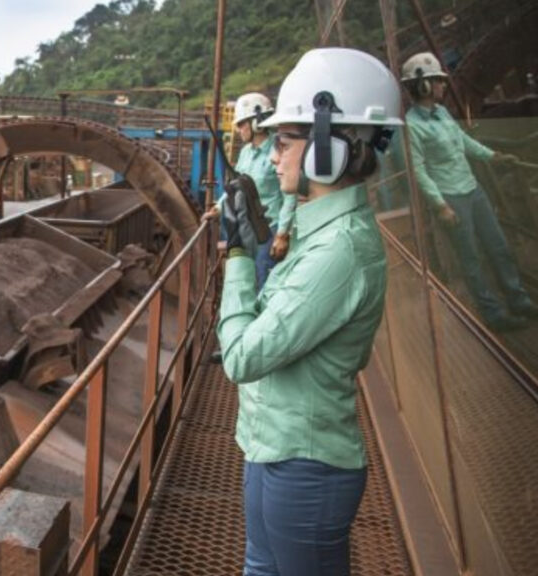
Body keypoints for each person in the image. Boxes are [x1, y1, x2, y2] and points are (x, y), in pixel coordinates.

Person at [217, 47, 404, 576]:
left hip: (306, 466)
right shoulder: (314, 227)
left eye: (283, 142)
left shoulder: (339, 253)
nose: (274, 157)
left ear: (329, 148)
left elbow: (241, 357)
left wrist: (235, 252)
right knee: (259, 568)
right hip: (269, 442)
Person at [402, 51, 535, 331]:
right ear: (423, 85)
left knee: (498, 246)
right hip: (451, 198)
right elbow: (419, 171)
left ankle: (518, 299)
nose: (442, 86)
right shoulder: (412, 126)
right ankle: (495, 316)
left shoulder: (443, 112)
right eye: (437, 81)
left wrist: (494, 156)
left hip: (473, 190)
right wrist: (440, 206)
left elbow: (463, 141)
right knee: (471, 259)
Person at [205, 93, 296, 289]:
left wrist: (282, 234)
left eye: (241, 124)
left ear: (256, 123)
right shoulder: (246, 153)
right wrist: (219, 208)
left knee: (263, 277)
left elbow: (290, 196)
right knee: (248, 277)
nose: (238, 130)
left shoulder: (277, 150)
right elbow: (238, 185)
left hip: (270, 229)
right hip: (248, 227)